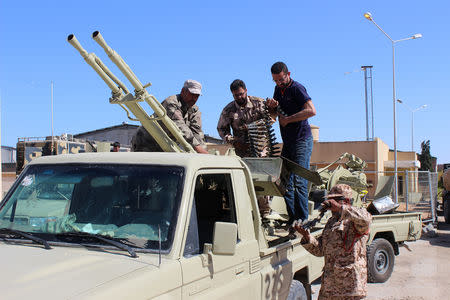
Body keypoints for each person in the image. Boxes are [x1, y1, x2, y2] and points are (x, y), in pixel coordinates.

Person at [295, 184, 372, 300]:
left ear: (345, 201)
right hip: (330, 286)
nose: (330, 205)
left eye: (335, 200)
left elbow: (366, 219)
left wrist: (342, 209)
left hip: (349, 286)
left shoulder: (354, 221)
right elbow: (321, 250)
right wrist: (307, 237)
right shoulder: (331, 222)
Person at [266, 61, 316, 225]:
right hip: (288, 143)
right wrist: (272, 107)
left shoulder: (297, 88)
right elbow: (274, 115)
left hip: (302, 140)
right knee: (283, 181)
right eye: (275, 80)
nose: (279, 83)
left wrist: (289, 119)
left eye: (281, 79)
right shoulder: (277, 90)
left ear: (288, 74)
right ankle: (293, 219)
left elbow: (311, 110)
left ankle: (302, 221)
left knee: (299, 181)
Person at [217, 79, 274, 217]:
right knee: (246, 182)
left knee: (262, 180)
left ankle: (265, 212)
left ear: (246, 91)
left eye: (241, 94)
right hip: (243, 152)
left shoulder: (259, 103)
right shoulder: (228, 110)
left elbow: (271, 119)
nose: (240, 97)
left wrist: (271, 112)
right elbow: (221, 129)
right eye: (236, 95)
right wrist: (233, 141)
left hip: (262, 150)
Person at [131, 79, 209, 154]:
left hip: (165, 145)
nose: (194, 98)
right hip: (147, 141)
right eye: (191, 94)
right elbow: (179, 126)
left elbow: (197, 131)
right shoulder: (171, 102)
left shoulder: (194, 110)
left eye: (197, 96)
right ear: (183, 91)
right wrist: (198, 148)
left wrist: (203, 151)